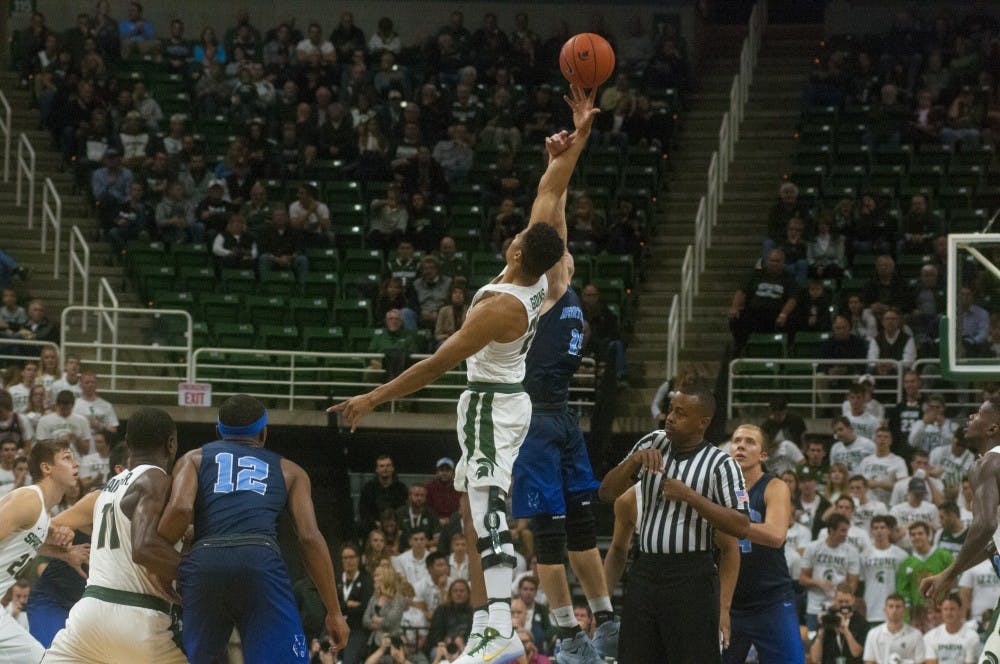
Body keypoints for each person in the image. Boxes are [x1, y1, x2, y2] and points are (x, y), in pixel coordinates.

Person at [330, 87, 595, 664]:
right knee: (484, 506)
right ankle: (491, 622)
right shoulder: (549, 274)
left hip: (489, 402)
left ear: (521, 253)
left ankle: (499, 624)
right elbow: (551, 193)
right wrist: (576, 139)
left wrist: (372, 398)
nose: (515, 231)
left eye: (519, 235)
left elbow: (433, 364)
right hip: (509, 398)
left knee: (485, 508)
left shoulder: (498, 307)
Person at [509, 91, 616, 662]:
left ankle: (602, 620)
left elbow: (556, 206)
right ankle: (569, 633)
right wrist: (575, 144)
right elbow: (547, 203)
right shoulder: (541, 288)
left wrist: (565, 157)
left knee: (578, 523)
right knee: (552, 530)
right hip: (536, 416)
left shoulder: (559, 277)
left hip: (556, 416)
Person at [155, 394, 349, 662]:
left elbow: (179, 510)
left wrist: (161, 561)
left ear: (218, 433)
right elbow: (309, 538)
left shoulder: (194, 459)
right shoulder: (291, 471)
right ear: (263, 432)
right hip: (259, 561)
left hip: (205, 561)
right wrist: (334, 611)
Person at [598, 382, 749, 663]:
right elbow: (606, 493)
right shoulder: (651, 442)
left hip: (692, 575)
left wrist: (691, 497)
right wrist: (633, 462)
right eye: (670, 409)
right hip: (645, 571)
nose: (670, 417)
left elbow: (741, 525)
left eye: (680, 413)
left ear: (702, 422)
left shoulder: (720, 464)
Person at [43, 408, 187, 663]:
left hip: (88, 615)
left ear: (128, 445)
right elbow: (144, 548)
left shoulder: (108, 488)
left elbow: (46, 527)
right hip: (139, 617)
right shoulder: (157, 478)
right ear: (172, 443)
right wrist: (199, 571)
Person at [26, 443, 127, 649]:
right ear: (120, 469)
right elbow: (44, 529)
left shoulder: (150, 503)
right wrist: (65, 551)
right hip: (54, 600)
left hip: (94, 607)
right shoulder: (99, 498)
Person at [722, 424, 804, 664]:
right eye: (736, 440)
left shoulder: (775, 487)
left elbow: (776, 535)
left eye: (750, 442)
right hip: (729, 601)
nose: (741, 446)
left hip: (771, 600)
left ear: (763, 455)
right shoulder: (718, 488)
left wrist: (726, 523)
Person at [920, 398, 1000, 636]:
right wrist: (949, 573)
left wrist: (952, 572)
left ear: (993, 428)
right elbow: (989, 544)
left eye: (977, 414)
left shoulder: (989, 462)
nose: (970, 418)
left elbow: (985, 524)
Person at [0, 440, 78, 663]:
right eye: (67, 457)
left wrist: (64, 553)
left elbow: (21, 543)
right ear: (46, 468)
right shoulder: (29, 500)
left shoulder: (42, 513)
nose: (76, 464)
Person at [800, 513, 860, 630]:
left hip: (840, 606)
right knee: (814, 641)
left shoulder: (851, 551)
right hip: (815, 606)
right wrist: (818, 582)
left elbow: (853, 583)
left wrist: (842, 596)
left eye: (847, 531)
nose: (845, 535)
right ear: (831, 530)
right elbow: (802, 579)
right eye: (842, 531)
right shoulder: (813, 547)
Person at [860, 515, 907, 627]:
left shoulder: (901, 555)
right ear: (871, 532)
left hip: (893, 609)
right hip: (871, 609)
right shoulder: (863, 555)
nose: (879, 531)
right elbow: (860, 582)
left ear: (889, 531)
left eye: (882, 527)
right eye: (875, 528)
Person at [896, 521, 953, 611]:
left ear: (928, 536)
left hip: (942, 611)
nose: (917, 537)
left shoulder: (944, 556)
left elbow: (954, 582)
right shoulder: (907, 563)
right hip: (918, 614)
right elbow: (903, 592)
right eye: (913, 535)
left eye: (920, 533)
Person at [807, 584, 868, 664]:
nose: (844, 605)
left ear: (853, 600)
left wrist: (846, 631)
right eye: (840, 601)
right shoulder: (827, 619)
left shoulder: (861, 622)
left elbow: (856, 653)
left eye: (847, 602)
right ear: (834, 600)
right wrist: (820, 634)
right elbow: (815, 659)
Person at [861, 594, 924, 664]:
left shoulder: (916, 634)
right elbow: (869, 661)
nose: (894, 610)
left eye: (898, 607)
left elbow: (920, 662)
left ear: (905, 610)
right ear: (885, 610)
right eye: (891, 606)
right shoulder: (873, 634)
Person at [922, 594, 981, 664]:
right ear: (941, 611)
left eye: (952, 609)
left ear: (960, 610)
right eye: (945, 609)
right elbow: (931, 662)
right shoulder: (930, 636)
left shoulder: (972, 636)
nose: (948, 613)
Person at [359, 455, 409, 535]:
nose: (385, 469)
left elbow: (404, 511)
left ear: (393, 468)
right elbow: (364, 512)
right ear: (377, 469)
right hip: (374, 529)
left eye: (388, 466)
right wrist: (377, 525)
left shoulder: (401, 488)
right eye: (382, 466)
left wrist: (393, 526)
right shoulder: (368, 488)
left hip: (397, 529)